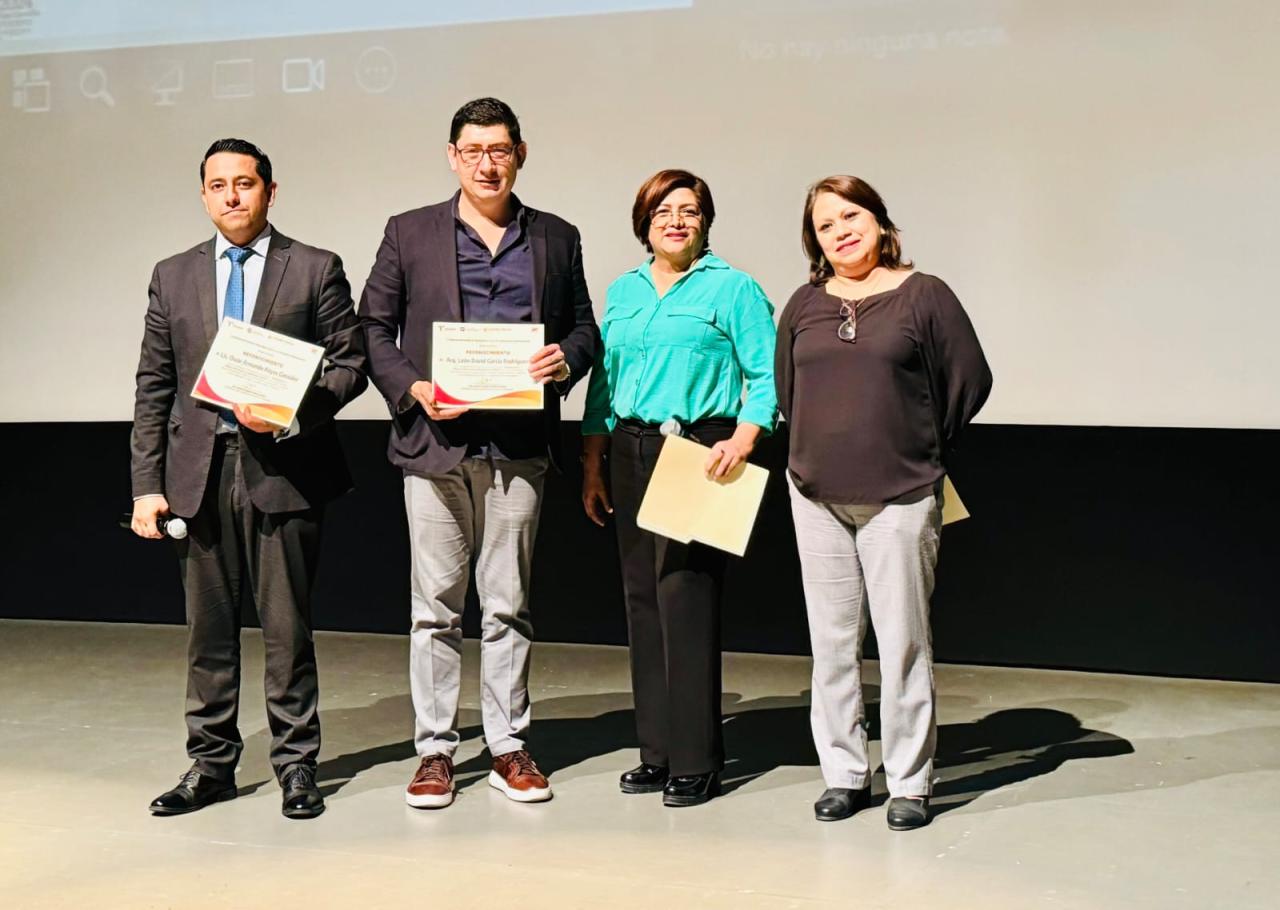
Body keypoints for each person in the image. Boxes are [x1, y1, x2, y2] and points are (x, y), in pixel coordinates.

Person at [359, 98, 599, 809]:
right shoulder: (408, 232)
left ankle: (508, 746)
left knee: (508, 605)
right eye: (473, 151)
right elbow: (373, 327)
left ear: (519, 154)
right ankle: (435, 750)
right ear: (452, 156)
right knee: (434, 609)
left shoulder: (556, 236)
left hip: (519, 447)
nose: (487, 164)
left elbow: (584, 328)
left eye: (499, 150)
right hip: (435, 443)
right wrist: (413, 388)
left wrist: (566, 360)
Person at [130, 138, 368, 819]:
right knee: (207, 634)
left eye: (244, 183)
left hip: (285, 468)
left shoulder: (315, 267)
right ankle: (210, 767)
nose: (231, 195)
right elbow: (154, 387)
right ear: (204, 195)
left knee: (288, 630)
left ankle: (296, 765)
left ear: (270, 190)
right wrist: (146, 484)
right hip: (197, 476)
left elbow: (350, 364)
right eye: (218, 185)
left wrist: (291, 411)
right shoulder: (173, 274)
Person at [775, 175, 992, 830]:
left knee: (902, 644)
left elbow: (969, 380)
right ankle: (844, 773)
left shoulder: (925, 295)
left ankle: (909, 781)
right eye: (825, 225)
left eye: (851, 215)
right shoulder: (804, 303)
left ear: (878, 220)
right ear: (814, 241)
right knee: (832, 644)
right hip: (816, 495)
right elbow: (788, 390)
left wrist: (917, 444)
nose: (840, 231)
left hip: (900, 496)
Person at [581, 169, 777, 807]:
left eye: (689, 210)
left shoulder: (734, 288)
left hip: (699, 450)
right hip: (629, 448)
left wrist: (743, 439)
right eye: (662, 211)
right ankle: (657, 751)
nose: (675, 221)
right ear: (644, 223)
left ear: (705, 221)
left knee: (685, 598)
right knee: (641, 601)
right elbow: (604, 382)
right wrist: (593, 460)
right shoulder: (624, 290)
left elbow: (768, 376)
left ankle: (697, 760)